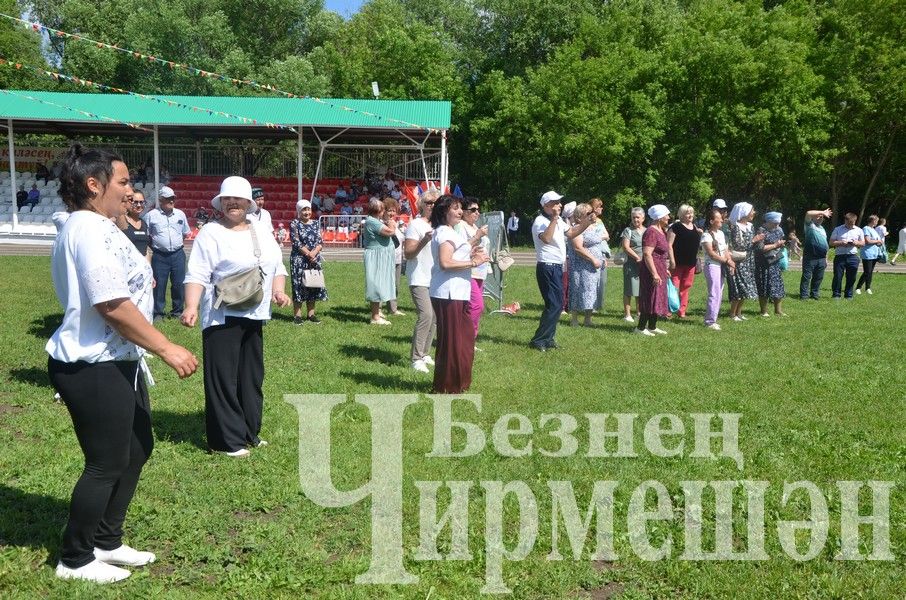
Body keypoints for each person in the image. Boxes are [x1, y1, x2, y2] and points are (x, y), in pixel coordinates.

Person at [47, 144, 197, 584]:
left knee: (136, 449)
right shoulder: (88, 229)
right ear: (94, 185)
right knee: (107, 462)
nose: (132, 189)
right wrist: (167, 348)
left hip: (119, 359)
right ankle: (74, 558)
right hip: (91, 364)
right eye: (124, 181)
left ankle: (106, 541)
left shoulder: (99, 226)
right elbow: (111, 303)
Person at [181, 176, 290, 457]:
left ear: (248, 203)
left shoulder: (261, 231)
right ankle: (225, 441)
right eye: (227, 199)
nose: (233, 203)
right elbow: (198, 273)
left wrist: (279, 292)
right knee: (223, 379)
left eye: (238, 199)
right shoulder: (211, 233)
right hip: (221, 315)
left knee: (250, 377)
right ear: (220, 203)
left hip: (255, 312)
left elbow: (276, 265)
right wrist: (191, 306)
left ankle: (249, 432)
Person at [429, 195, 489, 393]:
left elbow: (453, 257)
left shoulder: (449, 231)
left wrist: (469, 254)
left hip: (458, 292)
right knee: (452, 342)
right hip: (448, 293)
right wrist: (473, 262)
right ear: (444, 211)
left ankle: (459, 382)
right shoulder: (444, 232)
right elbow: (446, 263)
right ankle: (446, 385)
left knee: (464, 339)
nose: (460, 211)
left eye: (459, 208)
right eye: (455, 208)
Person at [529, 191, 594, 351]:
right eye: (556, 202)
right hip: (547, 266)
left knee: (558, 305)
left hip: (556, 266)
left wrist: (586, 222)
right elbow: (546, 238)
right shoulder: (540, 221)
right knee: (554, 304)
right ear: (547, 206)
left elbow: (571, 233)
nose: (560, 205)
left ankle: (548, 338)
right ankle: (538, 340)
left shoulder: (556, 221)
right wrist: (555, 219)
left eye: (560, 202)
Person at [143, 186, 190, 322]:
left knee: (179, 284)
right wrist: (158, 246)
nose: (171, 201)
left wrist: (175, 245)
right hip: (160, 255)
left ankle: (177, 311)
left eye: (173, 198)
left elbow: (185, 233)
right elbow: (147, 235)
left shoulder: (180, 214)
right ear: (161, 200)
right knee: (159, 285)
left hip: (178, 254)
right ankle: (158, 313)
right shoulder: (151, 216)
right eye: (168, 199)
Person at [404, 191, 438, 373]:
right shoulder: (415, 225)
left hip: (436, 278)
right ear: (422, 205)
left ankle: (425, 353)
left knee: (434, 317)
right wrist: (425, 240)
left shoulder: (441, 225)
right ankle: (416, 358)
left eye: (435, 202)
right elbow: (408, 253)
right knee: (425, 315)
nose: (432, 205)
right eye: (429, 202)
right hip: (419, 276)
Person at [456, 197, 490, 342]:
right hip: (468, 270)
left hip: (480, 270)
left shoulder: (475, 227)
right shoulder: (461, 226)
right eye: (473, 210)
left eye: (478, 210)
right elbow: (462, 248)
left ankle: (469, 339)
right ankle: (467, 338)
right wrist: (478, 237)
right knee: (477, 306)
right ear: (463, 212)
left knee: (472, 307)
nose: (477, 213)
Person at [635, 205, 671, 336]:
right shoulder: (651, 231)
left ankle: (652, 326)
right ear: (659, 217)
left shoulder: (662, 230)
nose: (668, 217)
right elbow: (647, 254)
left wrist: (664, 269)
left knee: (657, 296)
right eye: (666, 215)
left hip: (660, 267)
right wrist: (654, 273)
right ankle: (640, 328)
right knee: (649, 296)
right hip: (651, 269)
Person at [289, 200, 327, 324]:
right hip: (299, 259)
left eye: (308, 209)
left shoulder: (316, 223)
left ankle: (311, 315)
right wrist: (308, 253)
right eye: (304, 210)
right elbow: (296, 241)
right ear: (299, 211)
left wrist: (314, 252)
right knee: (298, 286)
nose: (307, 212)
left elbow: (320, 241)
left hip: (314, 259)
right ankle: (297, 316)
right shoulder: (295, 223)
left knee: (312, 285)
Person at [567, 203, 604, 327]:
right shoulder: (576, 228)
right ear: (579, 216)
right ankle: (574, 319)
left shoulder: (592, 227)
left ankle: (588, 319)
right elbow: (578, 248)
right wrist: (593, 259)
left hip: (592, 268)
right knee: (577, 290)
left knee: (590, 291)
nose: (591, 215)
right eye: (588, 213)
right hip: (581, 266)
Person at [362, 198, 397, 324]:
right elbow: (389, 232)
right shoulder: (372, 221)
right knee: (376, 285)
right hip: (376, 256)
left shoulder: (373, 221)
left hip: (380, 255)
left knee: (380, 284)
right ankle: (375, 317)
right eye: (383, 209)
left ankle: (377, 313)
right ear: (379, 210)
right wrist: (392, 224)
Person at [726, 202, 762, 320]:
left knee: (746, 287)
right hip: (739, 261)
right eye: (752, 210)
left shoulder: (750, 226)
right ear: (744, 212)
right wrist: (753, 240)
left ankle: (739, 313)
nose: (753, 213)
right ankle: (732, 313)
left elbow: (753, 245)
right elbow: (738, 245)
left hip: (749, 261)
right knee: (739, 287)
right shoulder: (735, 226)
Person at [701, 209, 734, 330]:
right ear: (711, 221)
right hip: (712, 266)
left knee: (719, 293)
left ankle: (713, 318)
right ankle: (710, 321)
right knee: (714, 293)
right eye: (718, 218)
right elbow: (711, 254)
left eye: (721, 217)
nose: (721, 220)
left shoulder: (720, 234)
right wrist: (727, 261)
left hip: (721, 266)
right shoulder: (706, 235)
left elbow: (725, 250)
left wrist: (730, 261)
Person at [667, 204, 701, 318]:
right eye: (687, 213)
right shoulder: (675, 227)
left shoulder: (695, 227)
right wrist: (671, 260)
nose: (690, 215)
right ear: (681, 214)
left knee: (686, 287)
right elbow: (669, 245)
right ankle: (669, 310)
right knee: (674, 287)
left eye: (691, 212)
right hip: (677, 263)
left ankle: (682, 311)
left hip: (691, 264)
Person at [754, 212, 787, 317]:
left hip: (775, 262)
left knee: (778, 286)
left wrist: (780, 245)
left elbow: (781, 242)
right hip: (763, 263)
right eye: (774, 223)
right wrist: (775, 245)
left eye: (778, 223)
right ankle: (764, 311)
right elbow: (760, 248)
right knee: (764, 286)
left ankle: (778, 311)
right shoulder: (761, 231)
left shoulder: (779, 230)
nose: (777, 226)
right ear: (767, 222)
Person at [829, 212, 865, 299]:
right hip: (840, 256)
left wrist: (856, 243)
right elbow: (831, 242)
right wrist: (841, 242)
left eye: (853, 223)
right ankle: (836, 295)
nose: (850, 225)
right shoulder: (838, 229)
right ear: (845, 220)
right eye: (849, 223)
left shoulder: (859, 230)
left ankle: (848, 295)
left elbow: (863, 243)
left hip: (853, 256)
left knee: (851, 277)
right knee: (838, 276)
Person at [798, 208, 832, 299]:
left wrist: (826, 258)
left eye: (821, 217)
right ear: (813, 218)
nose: (820, 218)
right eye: (817, 216)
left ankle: (815, 294)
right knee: (807, 277)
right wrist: (823, 212)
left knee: (818, 277)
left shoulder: (823, 229)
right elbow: (808, 213)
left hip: (821, 258)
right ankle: (804, 295)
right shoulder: (809, 225)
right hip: (810, 256)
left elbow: (825, 245)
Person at [620, 207, 646, 322]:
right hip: (631, 263)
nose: (635, 219)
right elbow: (625, 247)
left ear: (643, 218)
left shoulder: (647, 230)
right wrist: (636, 257)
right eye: (633, 217)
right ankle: (628, 315)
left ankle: (639, 312)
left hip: (644, 264)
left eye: (638, 217)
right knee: (629, 289)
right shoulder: (628, 230)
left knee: (641, 289)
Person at [383, 197, 407, 317]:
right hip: (387, 258)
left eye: (394, 210)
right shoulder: (383, 224)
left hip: (398, 258)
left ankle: (393, 308)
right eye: (389, 211)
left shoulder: (397, 224)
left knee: (396, 285)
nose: (392, 213)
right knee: (386, 284)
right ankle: (381, 308)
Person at [589, 198, 610, 313]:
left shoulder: (600, 221)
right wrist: (601, 237)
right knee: (593, 281)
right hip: (592, 253)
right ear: (594, 208)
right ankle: (590, 306)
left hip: (601, 253)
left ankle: (599, 305)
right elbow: (592, 238)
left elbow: (607, 235)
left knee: (602, 281)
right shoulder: (588, 221)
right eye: (599, 206)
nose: (602, 208)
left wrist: (604, 256)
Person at [117, 191, 151, 261]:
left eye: (141, 202)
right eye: (135, 202)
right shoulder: (121, 221)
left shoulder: (144, 223)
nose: (138, 205)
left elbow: (146, 248)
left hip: (141, 267)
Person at [855, 214, 884, 295]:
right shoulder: (866, 228)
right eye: (876, 221)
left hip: (874, 253)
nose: (877, 223)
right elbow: (867, 240)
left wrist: (879, 243)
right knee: (867, 272)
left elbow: (876, 241)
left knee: (870, 272)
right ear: (873, 221)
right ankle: (858, 287)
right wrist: (877, 241)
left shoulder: (873, 229)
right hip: (867, 253)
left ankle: (868, 287)